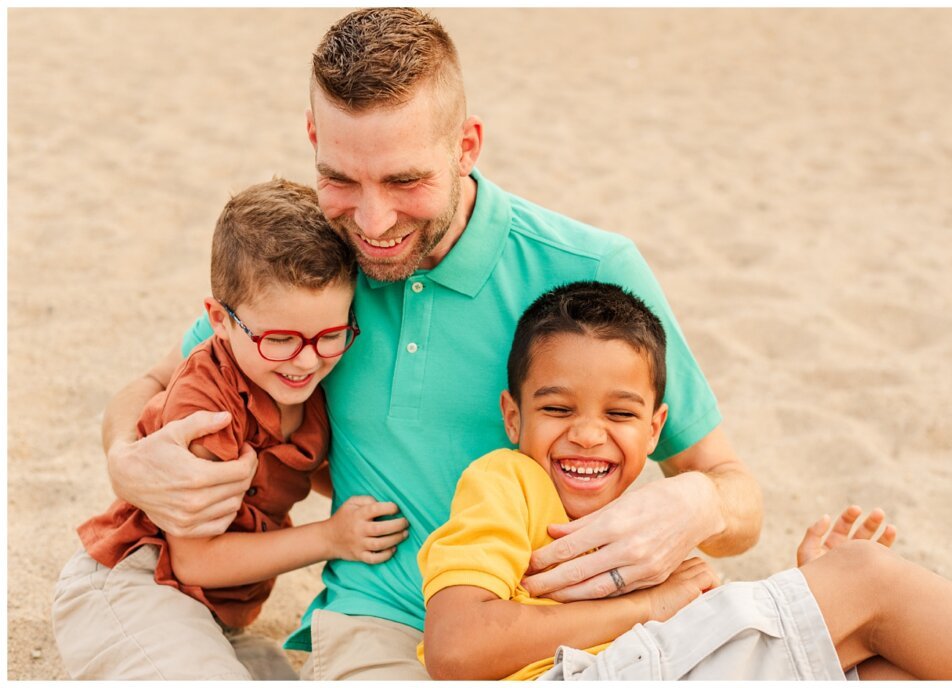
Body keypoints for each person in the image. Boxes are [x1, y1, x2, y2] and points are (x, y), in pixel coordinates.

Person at [99, 8, 763, 679]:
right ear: (312, 136)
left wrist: (696, 503)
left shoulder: (594, 269)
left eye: (404, 180)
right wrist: (125, 458)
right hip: (379, 623)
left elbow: (737, 495)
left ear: (467, 146)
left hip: (567, 624)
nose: (372, 220)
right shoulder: (314, 269)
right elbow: (156, 383)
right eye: (341, 178)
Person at [418, 281, 952, 681]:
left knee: (882, 668)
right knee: (867, 579)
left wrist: (803, 587)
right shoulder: (507, 480)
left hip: (638, 666)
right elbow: (456, 646)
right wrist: (650, 605)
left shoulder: (637, 525)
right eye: (558, 409)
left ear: (655, 431)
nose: (588, 434)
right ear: (512, 416)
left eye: (619, 414)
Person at [52, 179, 409, 680]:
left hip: (213, 617)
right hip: (134, 581)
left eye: (329, 334)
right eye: (280, 339)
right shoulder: (207, 405)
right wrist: (331, 537)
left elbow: (310, 469)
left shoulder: (309, 386)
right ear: (219, 319)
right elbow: (196, 562)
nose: (306, 361)